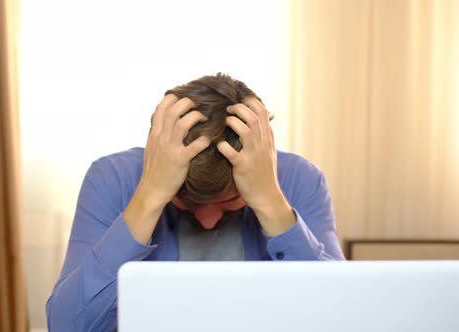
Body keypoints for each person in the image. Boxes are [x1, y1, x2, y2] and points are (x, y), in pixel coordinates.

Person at [46, 73, 345, 332]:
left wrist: (269, 201)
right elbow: (69, 326)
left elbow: (342, 317)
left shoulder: (298, 179)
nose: (208, 221)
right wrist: (150, 195)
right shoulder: (112, 177)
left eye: (230, 201)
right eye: (187, 203)